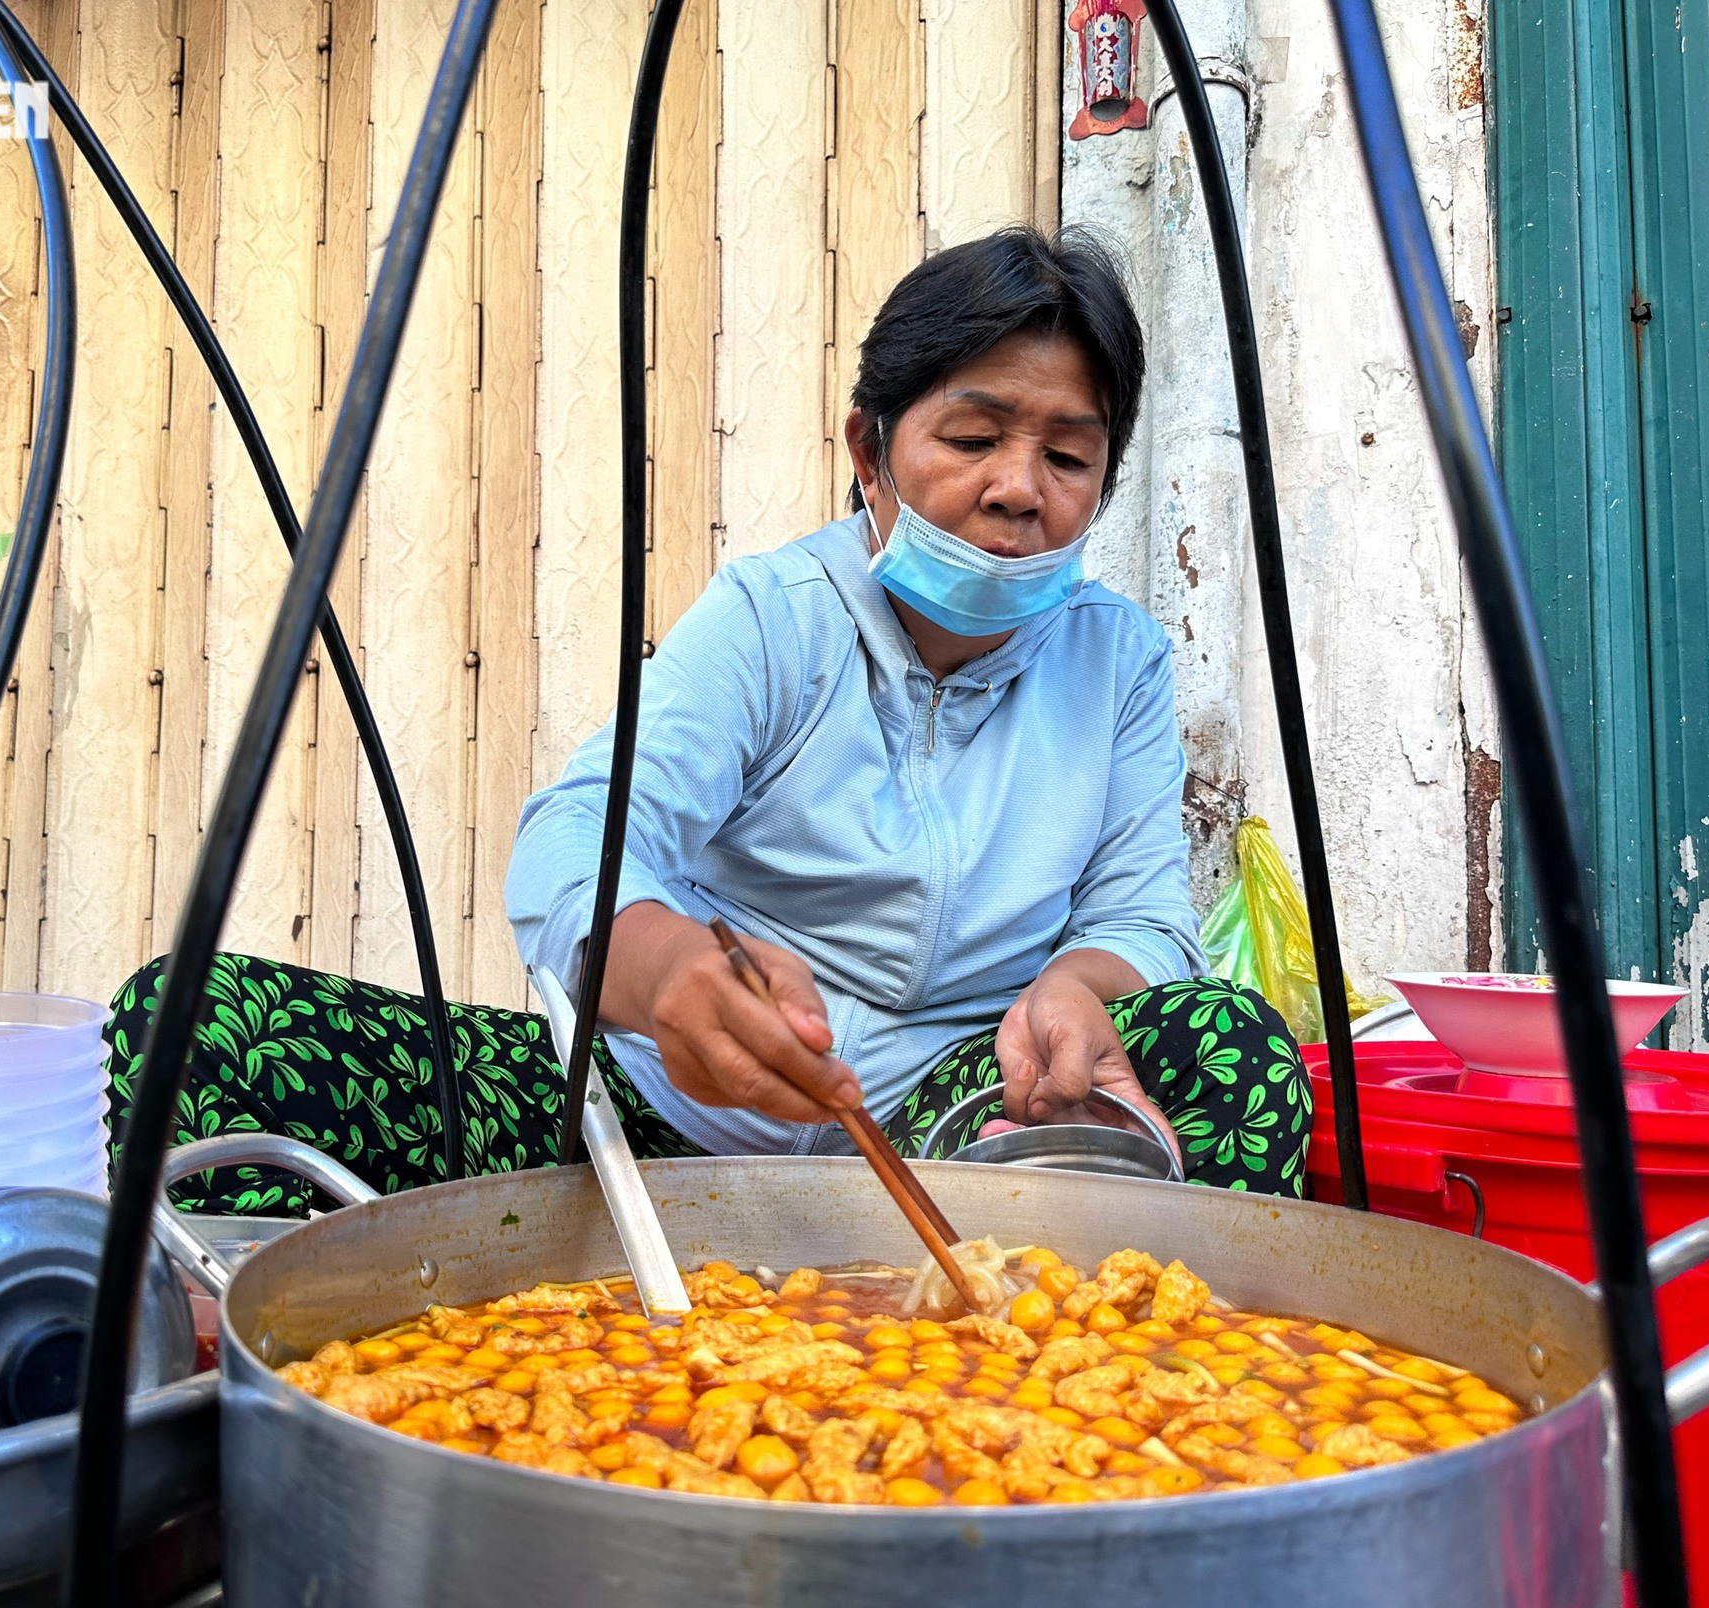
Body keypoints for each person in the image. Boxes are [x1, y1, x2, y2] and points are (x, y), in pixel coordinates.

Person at [106, 225, 1311, 1216]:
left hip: (953, 1131)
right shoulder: (774, 617)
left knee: (1228, 1045)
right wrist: (670, 973)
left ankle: (1090, 1441)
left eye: (1066, 455)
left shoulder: (1119, 664)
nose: (1015, 489)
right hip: (647, 1119)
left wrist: (1075, 991)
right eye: (971, 437)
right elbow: (580, 837)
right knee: (194, 1020)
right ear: (869, 451)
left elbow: (1142, 915)